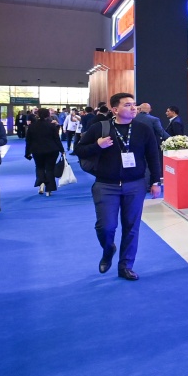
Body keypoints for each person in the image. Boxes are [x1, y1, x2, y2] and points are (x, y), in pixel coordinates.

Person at [75, 93, 163, 280]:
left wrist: (156, 181)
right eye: (128, 105)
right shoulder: (100, 128)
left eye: (134, 104)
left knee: (131, 227)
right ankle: (108, 249)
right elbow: (79, 149)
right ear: (115, 109)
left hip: (135, 185)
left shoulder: (143, 129)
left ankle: (125, 266)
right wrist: (97, 145)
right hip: (106, 185)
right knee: (105, 227)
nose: (133, 108)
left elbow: (153, 156)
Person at [25, 108, 65, 196]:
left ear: (37, 115)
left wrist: (27, 152)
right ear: (48, 115)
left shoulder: (32, 126)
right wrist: (62, 150)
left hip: (37, 150)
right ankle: (49, 189)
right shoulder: (52, 126)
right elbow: (57, 139)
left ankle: (41, 184)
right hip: (52, 150)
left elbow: (28, 141)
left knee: (39, 167)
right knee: (50, 169)